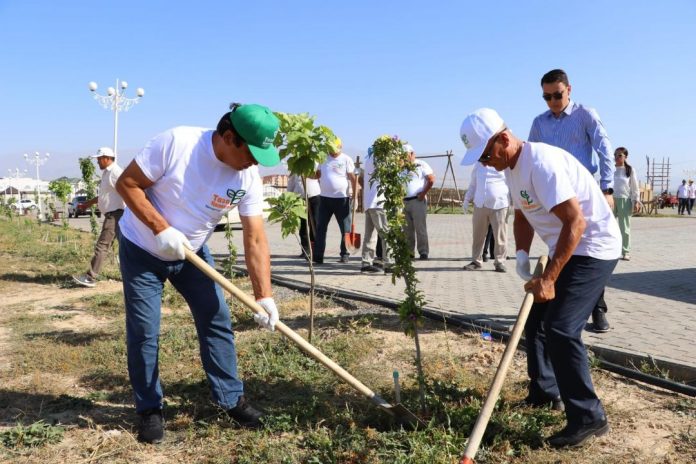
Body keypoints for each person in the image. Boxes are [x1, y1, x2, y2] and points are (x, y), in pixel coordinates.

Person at [115, 104, 282, 444]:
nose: (255, 162)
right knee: (145, 330)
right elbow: (127, 183)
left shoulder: (247, 176)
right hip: (143, 248)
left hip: (192, 254)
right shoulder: (177, 143)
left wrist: (264, 295)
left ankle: (230, 399)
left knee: (216, 319)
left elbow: (255, 237)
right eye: (251, 152)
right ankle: (149, 409)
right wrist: (161, 228)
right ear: (228, 137)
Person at [460, 108, 621, 448]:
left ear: (505, 139)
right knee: (536, 324)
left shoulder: (542, 163)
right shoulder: (511, 168)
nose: (485, 163)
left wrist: (549, 278)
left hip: (594, 247)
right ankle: (545, 393)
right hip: (568, 245)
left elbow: (576, 223)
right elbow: (522, 214)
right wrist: (520, 254)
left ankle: (589, 417)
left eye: (486, 154)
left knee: (561, 328)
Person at [529, 68, 614, 333]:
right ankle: (560, 302)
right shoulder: (540, 123)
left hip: (584, 195)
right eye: (546, 97)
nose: (553, 102)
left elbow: (604, 149)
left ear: (569, 90)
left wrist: (607, 189)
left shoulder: (585, 115)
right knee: (562, 249)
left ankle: (597, 309)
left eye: (557, 95)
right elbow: (530, 157)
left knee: (589, 252)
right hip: (554, 195)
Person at [72, 147, 125, 288]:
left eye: (99, 159)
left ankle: (90, 277)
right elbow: (104, 195)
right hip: (115, 214)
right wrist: (87, 204)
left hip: (116, 215)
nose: (97, 162)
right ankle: (130, 276)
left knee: (102, 246)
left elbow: (128, 190)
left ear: (107, 158)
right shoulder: (107, 173)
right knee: (125, 248)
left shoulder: (115, 172)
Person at [313, 138, 357, 264]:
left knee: (345, 228)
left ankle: (345, 254)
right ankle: (318, 256)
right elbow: (317, 174)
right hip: (324, 199)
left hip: (341, 199)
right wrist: (305, 173)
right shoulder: (323, 158)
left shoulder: (346, 159)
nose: (332, 152)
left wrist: (355, 196)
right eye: (330, 149)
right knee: (321, 227)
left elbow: (353, 178)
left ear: (340, 146)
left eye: (334, 149)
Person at [462, 162, 510, 272]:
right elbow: (473, 184)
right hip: (480, 204)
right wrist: (466, 199)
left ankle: (500, 262)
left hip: (500, 204)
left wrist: (514, 202)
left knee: (500, 236)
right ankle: (476, 261)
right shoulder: (478, 165)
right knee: (478, 235)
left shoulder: (503, 164)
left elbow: (512, 183)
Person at [360, 146, 393, 274]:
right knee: (386, 234)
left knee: (370, 235)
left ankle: (366, 263)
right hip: (378, 202)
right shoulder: (378, 159)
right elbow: (389, 170)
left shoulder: (368, 159)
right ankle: (389, 264)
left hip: (369, 203)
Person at [402, 144, 435, 260]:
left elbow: (431, 179)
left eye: (405, 155)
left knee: (420, 228)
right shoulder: (400, 167)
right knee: (407, 229)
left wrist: (423, 194)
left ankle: (423, 251)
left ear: (412, 154)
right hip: (403, 202)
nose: (403, 158)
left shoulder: (421, 164)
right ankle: (409, 252)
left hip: (417, 201)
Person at [612, 147, 641, 261]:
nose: (617, 157)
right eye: (615, 155)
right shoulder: (611, 169)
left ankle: (625, 251)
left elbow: (635, 187)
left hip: (625, 200)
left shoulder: (630, 170)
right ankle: (612, 250)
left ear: (625, 157)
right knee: (609, 226)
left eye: (619, 155)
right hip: (612, 200)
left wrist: (636, 201)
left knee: (624, 228)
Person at [287, 173, 321, 259]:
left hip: (314, 196)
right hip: (299, 199)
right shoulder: (294, 165)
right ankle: (305, 250)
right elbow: (291, 183)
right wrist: (288, 197)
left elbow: (319, 177)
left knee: (315, 224)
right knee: (302, 225)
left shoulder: (314, 162)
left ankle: (315, 250)